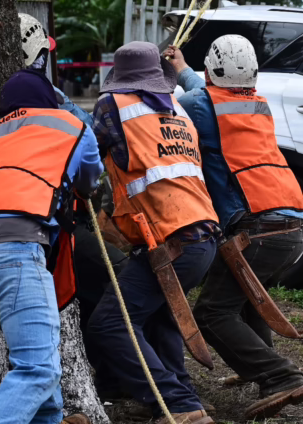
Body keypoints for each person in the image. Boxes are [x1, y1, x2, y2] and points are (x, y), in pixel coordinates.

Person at [0, 67, 103, 424]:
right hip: (12, 250)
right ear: (49, 99)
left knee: (38, 354)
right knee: (37, 369)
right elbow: (91, 179)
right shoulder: (71, 126)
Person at [166, 36, 303, 421]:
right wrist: (181, 68)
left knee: (213, 313)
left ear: (212, 70)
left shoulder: (200, 106)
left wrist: (157, 76)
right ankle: (257, 365)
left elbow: (168, 110)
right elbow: (206, 92)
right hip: (294, 224)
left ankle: (279, 376)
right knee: (244, 298)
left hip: (259, 227)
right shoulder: (256, 104)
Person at [86, 41, 220, 424]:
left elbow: (90, 160)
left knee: (111, 324)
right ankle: (188, 400)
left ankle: (176, 403)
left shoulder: (114, 107)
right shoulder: (177, 110)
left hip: (170, 239)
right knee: (159, 318)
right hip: (202, 237)